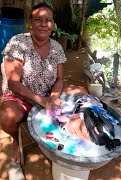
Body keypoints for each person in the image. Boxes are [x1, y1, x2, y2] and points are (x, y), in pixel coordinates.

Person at [0, 2, 87, 164]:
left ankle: (73, 132)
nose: (44, 24)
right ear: (30, 23)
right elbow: (13, 83)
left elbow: (60, 79)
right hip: (21, 97)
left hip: (47, 92)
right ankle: (16, 139)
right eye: (38, 20)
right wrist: (42, 100)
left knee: (82, 92)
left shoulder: (56, 47)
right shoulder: (18, 43)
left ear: (53, 24)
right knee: (6, 117)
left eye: (48, 20)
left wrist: (53, 96)